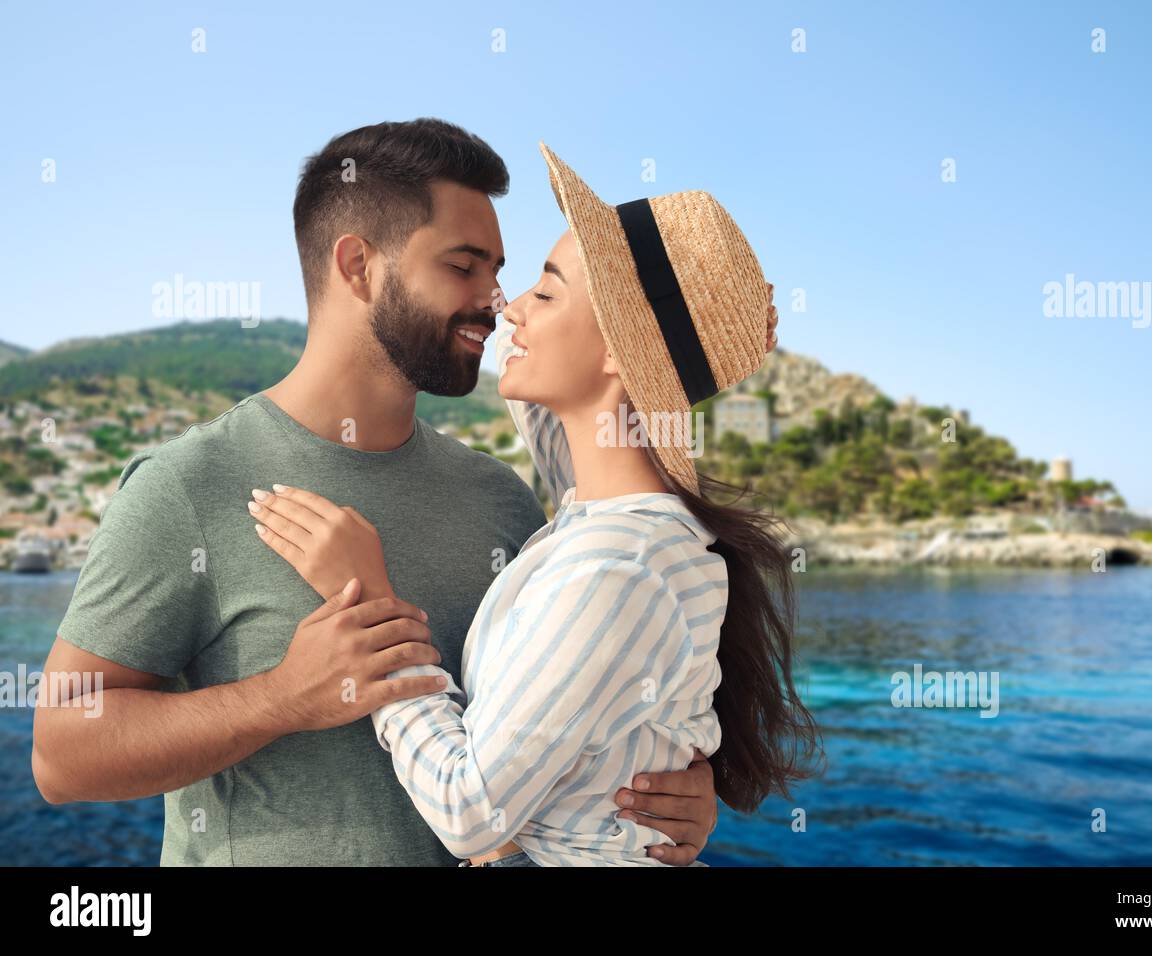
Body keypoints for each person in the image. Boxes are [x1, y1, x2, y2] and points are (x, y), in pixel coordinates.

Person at [32, 120, 720, 866]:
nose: (496, 301)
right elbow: (63, 754)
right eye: (464, 266)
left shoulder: (503, 503)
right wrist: (285, 697)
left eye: (502, 271)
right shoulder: (191, 483)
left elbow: (556, 734)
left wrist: (661, 796)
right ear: (358, 265)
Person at [246, 143, 824, 865]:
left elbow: (469, 811)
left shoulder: (618, 568)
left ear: (620, 351)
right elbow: (565, 425)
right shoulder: (604, 516)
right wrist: (699, 351)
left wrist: (369, 602)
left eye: (545, 293)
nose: (506, 307)